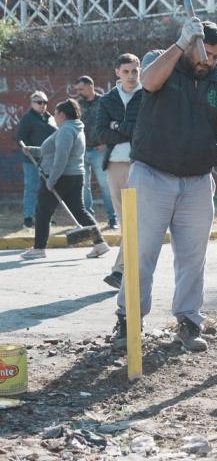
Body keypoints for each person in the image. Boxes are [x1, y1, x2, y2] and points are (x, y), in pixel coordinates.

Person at [112, 17, 217, 352]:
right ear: (191, 45)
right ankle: (128, 320)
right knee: (142, 251)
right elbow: (148, 82)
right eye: (207, 53)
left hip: (197, 181)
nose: (211, 62)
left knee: (193, 256)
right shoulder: (160, 61)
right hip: (151, 174)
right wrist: (179, 43)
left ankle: (189, 322)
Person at [19, 99, 110, 260]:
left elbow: (62, 157)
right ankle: (100, 244)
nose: (53, 115)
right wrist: (31, 150)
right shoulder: (74, 128)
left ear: (62, 114)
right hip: (75, 176)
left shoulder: (66, 130)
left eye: (55, 112)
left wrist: (51, 180)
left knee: (42, 211)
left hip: (62, 176)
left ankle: (39, 248)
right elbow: (47, 150)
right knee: (79, 210)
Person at [93, 53, 143, 289]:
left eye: (135, 71)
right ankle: (126, 270)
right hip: (114, 165)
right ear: (117, 73)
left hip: (141, 164)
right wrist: (125, 130)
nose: (131, 76)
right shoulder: (107, 100)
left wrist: (118, 126)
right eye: (126, 71)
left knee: (136, 221)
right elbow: (100, 133)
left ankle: (120, 271)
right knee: (126, 221)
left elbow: (143, 131)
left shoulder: (147, 95)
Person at [75, 76, 116, 229]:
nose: (78, 92)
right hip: (82, 150)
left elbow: (113, 122)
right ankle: (88, 221)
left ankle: (113, 219)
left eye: (81, 89)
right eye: (77, 89)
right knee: (83, 186)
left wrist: (106, 142)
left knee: (105, 185)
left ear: (90, 86)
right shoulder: (77, 104)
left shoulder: (104, 101)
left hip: (100, 150)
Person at [15, 91, 56, 229]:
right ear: (32, 103)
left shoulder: (50, 118)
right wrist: (24, 147)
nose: (42, 105)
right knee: (31, 188)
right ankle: (28, 218)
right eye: (39, 102)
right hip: (31, 160)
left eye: (45, 102)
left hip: (48, 160)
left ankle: (46, 217)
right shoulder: (27, 118)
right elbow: (20, 137)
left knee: (47, 189)